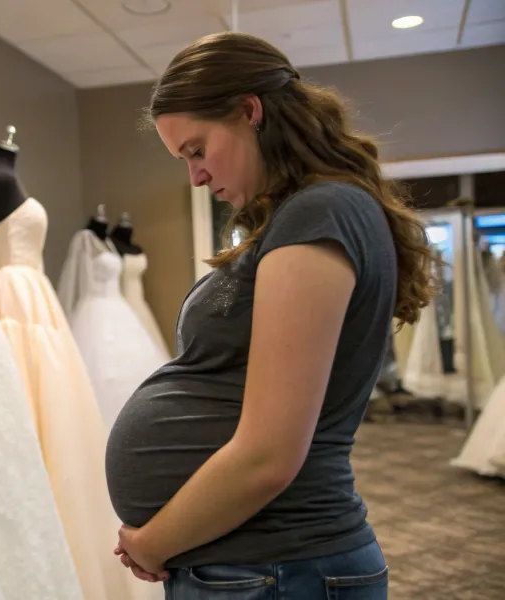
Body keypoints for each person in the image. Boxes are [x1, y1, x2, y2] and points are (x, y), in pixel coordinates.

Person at [105, 31, 436, 599]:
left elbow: (268, 455)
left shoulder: (319, 213)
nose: (196, 176)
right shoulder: (307, 214)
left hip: (276, 568)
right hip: (264, 566)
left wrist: (154, 542)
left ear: (250, 112)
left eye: (197, 150)